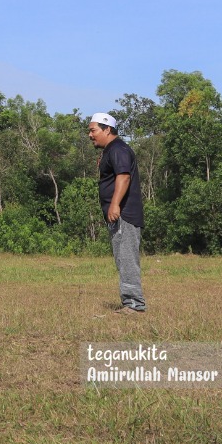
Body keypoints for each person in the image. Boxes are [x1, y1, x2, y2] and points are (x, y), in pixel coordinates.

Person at [88, 113, 146, 314]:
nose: (90, 134)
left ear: (107, 129)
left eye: (93, 130)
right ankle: (130, 302)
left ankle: (134, 304)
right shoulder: (112, 150)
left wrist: (114, 205)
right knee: (122, 258)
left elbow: (123, 177)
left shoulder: (119, 149)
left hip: (125, 215)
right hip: (119, 214)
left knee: (127, 257)